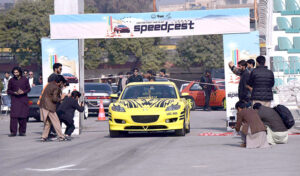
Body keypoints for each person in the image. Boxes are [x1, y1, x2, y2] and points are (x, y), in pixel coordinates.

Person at [39, 75, 66, 142]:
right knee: (56, 122)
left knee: (48, 122)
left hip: (43, 105)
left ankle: (44, 137)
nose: (63, 85)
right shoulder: (56, 88)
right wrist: (61, 98)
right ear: (60, 82)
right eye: (63, 83)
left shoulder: (49, 85)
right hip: (49, 107)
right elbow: (54, 99)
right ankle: (61, 136)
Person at [7, 67, 31, 137]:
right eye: (14, 72)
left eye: (16, 72)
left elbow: (28, 89)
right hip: (15, 100)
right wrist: (14, 92)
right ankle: (13, 132)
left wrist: (23, 92)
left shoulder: (25, 79)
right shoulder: (11, 80)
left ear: (20, 72)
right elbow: (8, 90)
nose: (15, 74)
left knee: (23, 116)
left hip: (23, 99)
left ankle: (22, 132)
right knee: (14, 116)